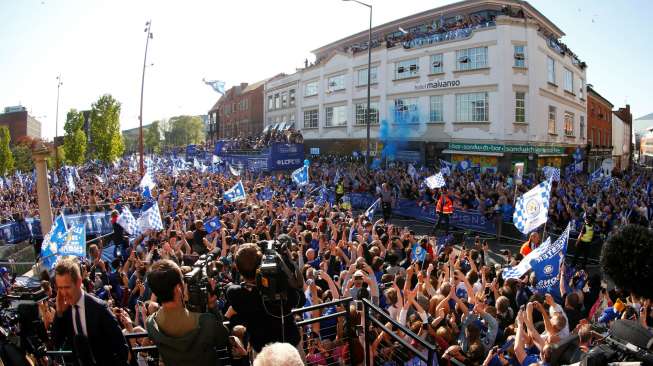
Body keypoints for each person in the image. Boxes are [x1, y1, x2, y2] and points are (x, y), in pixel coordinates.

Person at [225, 241, 306, 358]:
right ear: (261, 263)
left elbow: (232, 287)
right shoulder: (281, 286)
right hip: (291, 349)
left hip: (263, 354)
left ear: (237, 268)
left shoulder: (236, 293)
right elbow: (300, 300)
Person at [145, 259, 229, 366]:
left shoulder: (151, 323)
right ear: (178, 288)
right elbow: (223, 337)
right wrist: (213, 307)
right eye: (183, 280)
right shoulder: (206, 321)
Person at [52, 258, 128, 366]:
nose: (64, 293)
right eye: (60, 288)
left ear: (78, 282)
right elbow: (56, 342)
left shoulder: (99, 308)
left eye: (67, 287)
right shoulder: (65, 311)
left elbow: (122, 349)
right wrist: (59, 313)